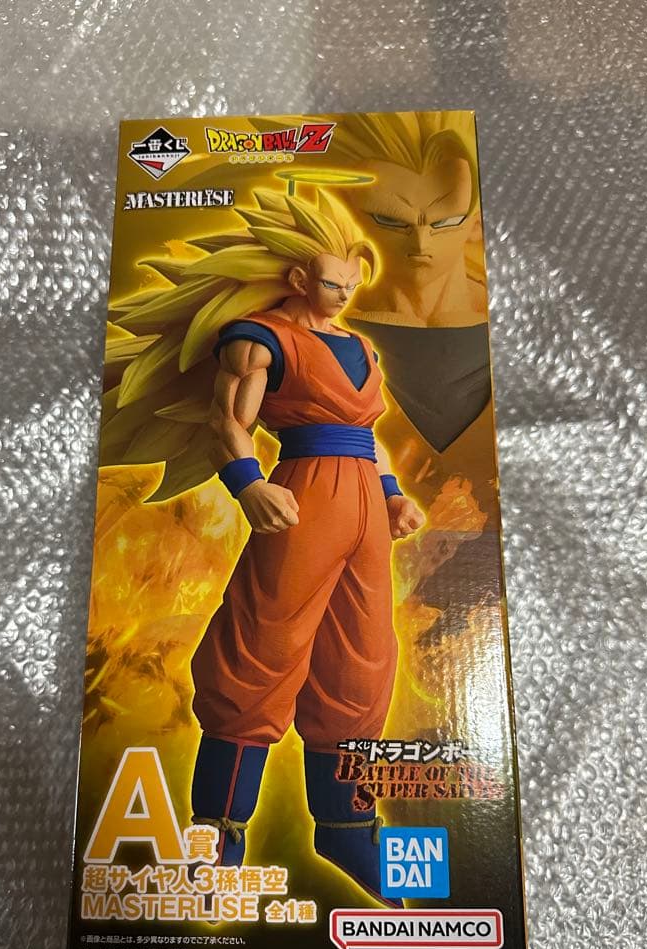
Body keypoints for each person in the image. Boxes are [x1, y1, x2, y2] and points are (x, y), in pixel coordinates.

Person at [101, 188, 424, 904]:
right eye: (331, 283)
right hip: (302, 496)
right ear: (300, 278)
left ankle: (346, 827)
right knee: (260, 648)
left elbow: (367, 435)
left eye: (351, 284)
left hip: (365, 505)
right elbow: (227, 422)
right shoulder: (259, 337)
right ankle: (218, 833)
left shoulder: (360, 346)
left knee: (363, 660)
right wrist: (248, 484)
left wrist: (394, 493)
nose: (343, 295)